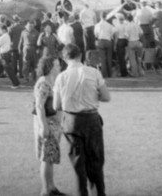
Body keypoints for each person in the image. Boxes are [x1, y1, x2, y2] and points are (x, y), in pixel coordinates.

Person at [53, 44, 111, 196]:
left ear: (65, 58)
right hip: (91, 119)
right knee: (96, 161)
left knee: (78, 163)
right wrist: (92, 96)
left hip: (71, 120)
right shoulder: (93, 72)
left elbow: (56, 105)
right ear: (81, 56)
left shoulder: (61, 77)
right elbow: (106, 97)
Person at [33, 57, 65, 196]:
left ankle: (51, 187)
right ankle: (46, 190)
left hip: (54, 123)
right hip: (47, 123)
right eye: (56, 65)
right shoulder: (44, 83)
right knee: (46, 158)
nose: (59, 67)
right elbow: (39, 106)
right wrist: (43, 126)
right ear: (49, 67)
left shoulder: (53, 81)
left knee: (50, 157)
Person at [94, 12, 114, 78]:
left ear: (100, 16)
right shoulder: (109, 25)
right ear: (106, 17)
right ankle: (110, 74)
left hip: (101, 41)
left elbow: (96, 34)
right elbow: (112, 34)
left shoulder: (97, 25)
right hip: (108, 41)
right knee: (109, 58)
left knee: (102, 59)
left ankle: (104, 74)